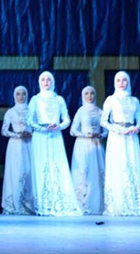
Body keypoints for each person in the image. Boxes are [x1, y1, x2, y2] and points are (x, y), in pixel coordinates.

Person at [101, 71, 140, 216]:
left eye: (124, 80)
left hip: (132, 137)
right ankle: (118, 205)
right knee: (118, 167)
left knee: (132, 166)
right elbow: (103, 121)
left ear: (128, 82)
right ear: (115, 82)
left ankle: (134, 203)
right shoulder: (110, 100)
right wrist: (118, 129)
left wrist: (136, 128)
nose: (121, 83)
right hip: (116, 137)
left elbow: (139, 121)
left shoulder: (134, 101)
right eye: (118, 80)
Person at [26, 71, 81, 216]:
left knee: (58, 166)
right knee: (42, 168)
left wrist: (59, 126)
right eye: (43, 80)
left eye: (49, 79)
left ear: (53, 82)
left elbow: (66, 119)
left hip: (56, 136)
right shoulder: (35, 99)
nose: (46, 82)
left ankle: (59, 201)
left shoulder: (59, 99)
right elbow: (29, 120)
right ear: (39, 82)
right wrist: (43, 128)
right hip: (40, 137)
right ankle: (44, 204)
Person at [69, 86, 106, 215]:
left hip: (96, 146)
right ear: (82, 96)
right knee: (84, 173)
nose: (89, 96)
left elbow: (106, 130)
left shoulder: (100, 111)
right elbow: (73, 130)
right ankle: (83, 203)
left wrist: (101, 135)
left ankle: (97, 204)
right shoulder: (81, 111)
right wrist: (85, 135)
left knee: (97, 174)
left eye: (92, 93)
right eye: (86, 94)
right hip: (83, 146)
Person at [1, 85, 34, 215]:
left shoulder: (32, 110)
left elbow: (37, 127)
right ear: (14, 96)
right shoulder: (11, 112)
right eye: (18, 94)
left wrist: (31, 133)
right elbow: (4, 131)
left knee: (30, 172)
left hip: (30, 144)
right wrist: (17, 135)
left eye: (23, 94)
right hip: (15, 146)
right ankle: (15, 204)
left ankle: (30, 205)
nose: (21, 97)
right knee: (16, 172)